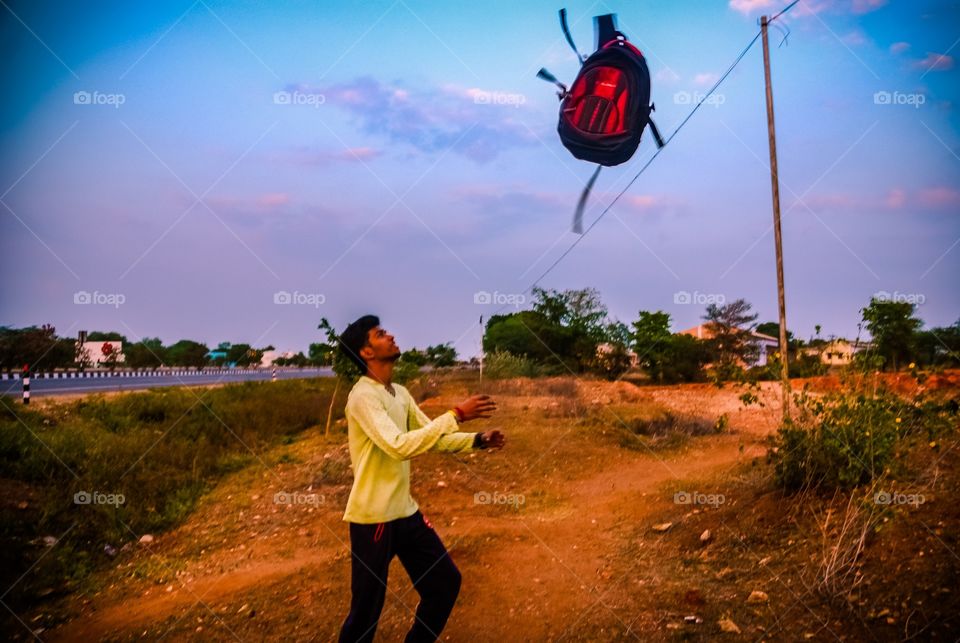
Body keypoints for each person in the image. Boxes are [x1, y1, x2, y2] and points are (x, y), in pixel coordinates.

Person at [337, 315, 504, 643]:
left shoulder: (399, 393)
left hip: (405, 513)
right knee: (365, 613)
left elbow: (432, 437)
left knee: (444, 583)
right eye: (380, 334)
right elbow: (398, 446)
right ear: (366, 352)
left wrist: (478, 440)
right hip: (373, 519)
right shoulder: (362, 397)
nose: (390, 336)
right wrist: (456, 414)